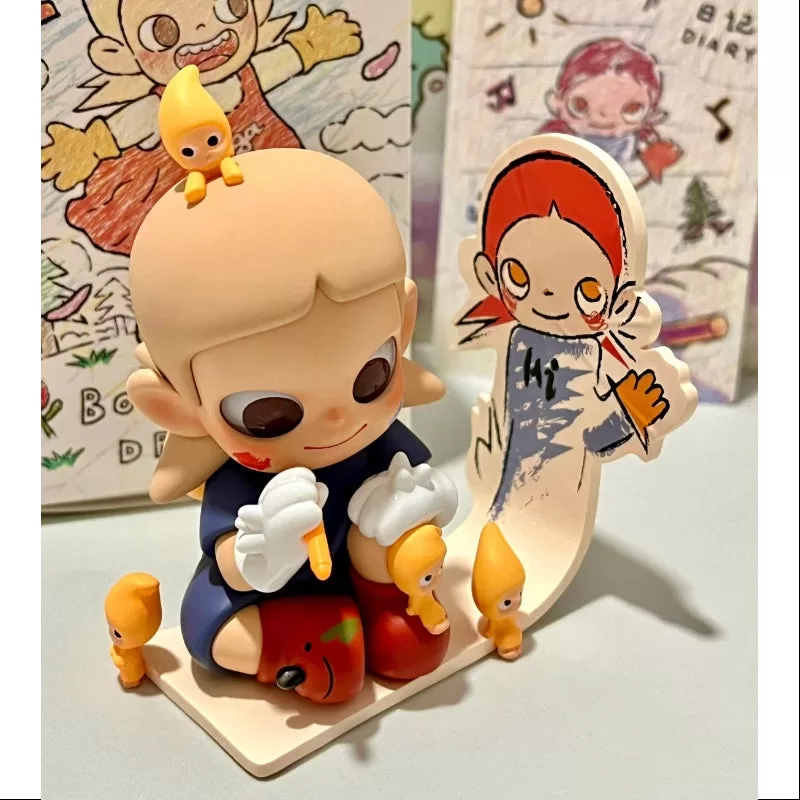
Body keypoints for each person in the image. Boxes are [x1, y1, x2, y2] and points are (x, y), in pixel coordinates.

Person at [126, 147, 457, 698]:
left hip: (365, 576)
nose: (338, 418)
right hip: (268, 596)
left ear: (403, 324)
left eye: (373, 374)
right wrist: (265, 549)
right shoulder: (245, 480)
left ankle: (381, 607)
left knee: (410, 641)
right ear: (178, 406)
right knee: (207, 623)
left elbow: (420, 487)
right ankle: (296, 636)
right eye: (268, 413)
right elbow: (229, 562)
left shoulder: (378, 445)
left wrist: (412, 513)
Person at [41, 0, 362, 255]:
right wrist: (86, 146)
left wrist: (312, 44)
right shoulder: (157, 108)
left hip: (264, 180)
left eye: (230, 6)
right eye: (162, 31)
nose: (202, 29)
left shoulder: (248, 75)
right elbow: (112, 134)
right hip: (192, 202)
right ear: (118, 55)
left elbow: (289, 58)